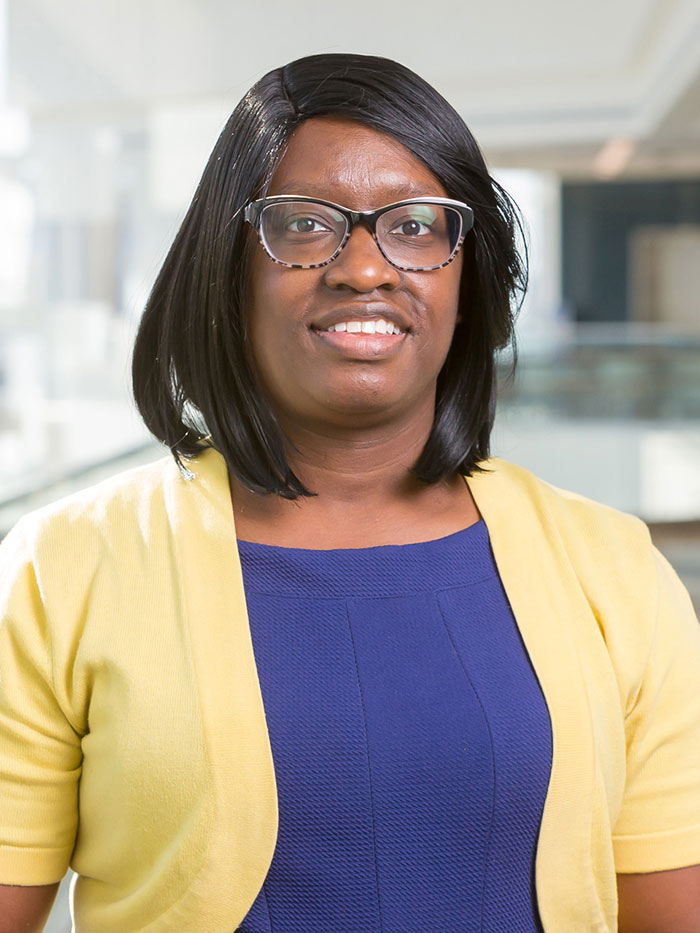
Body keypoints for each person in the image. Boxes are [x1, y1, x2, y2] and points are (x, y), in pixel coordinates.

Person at [1, 53, 699, 933]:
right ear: (228, 266)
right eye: (303, 225)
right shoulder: (63, 568)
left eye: (415, 226)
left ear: (464, 275)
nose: (364, 268)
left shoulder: (612, 567)